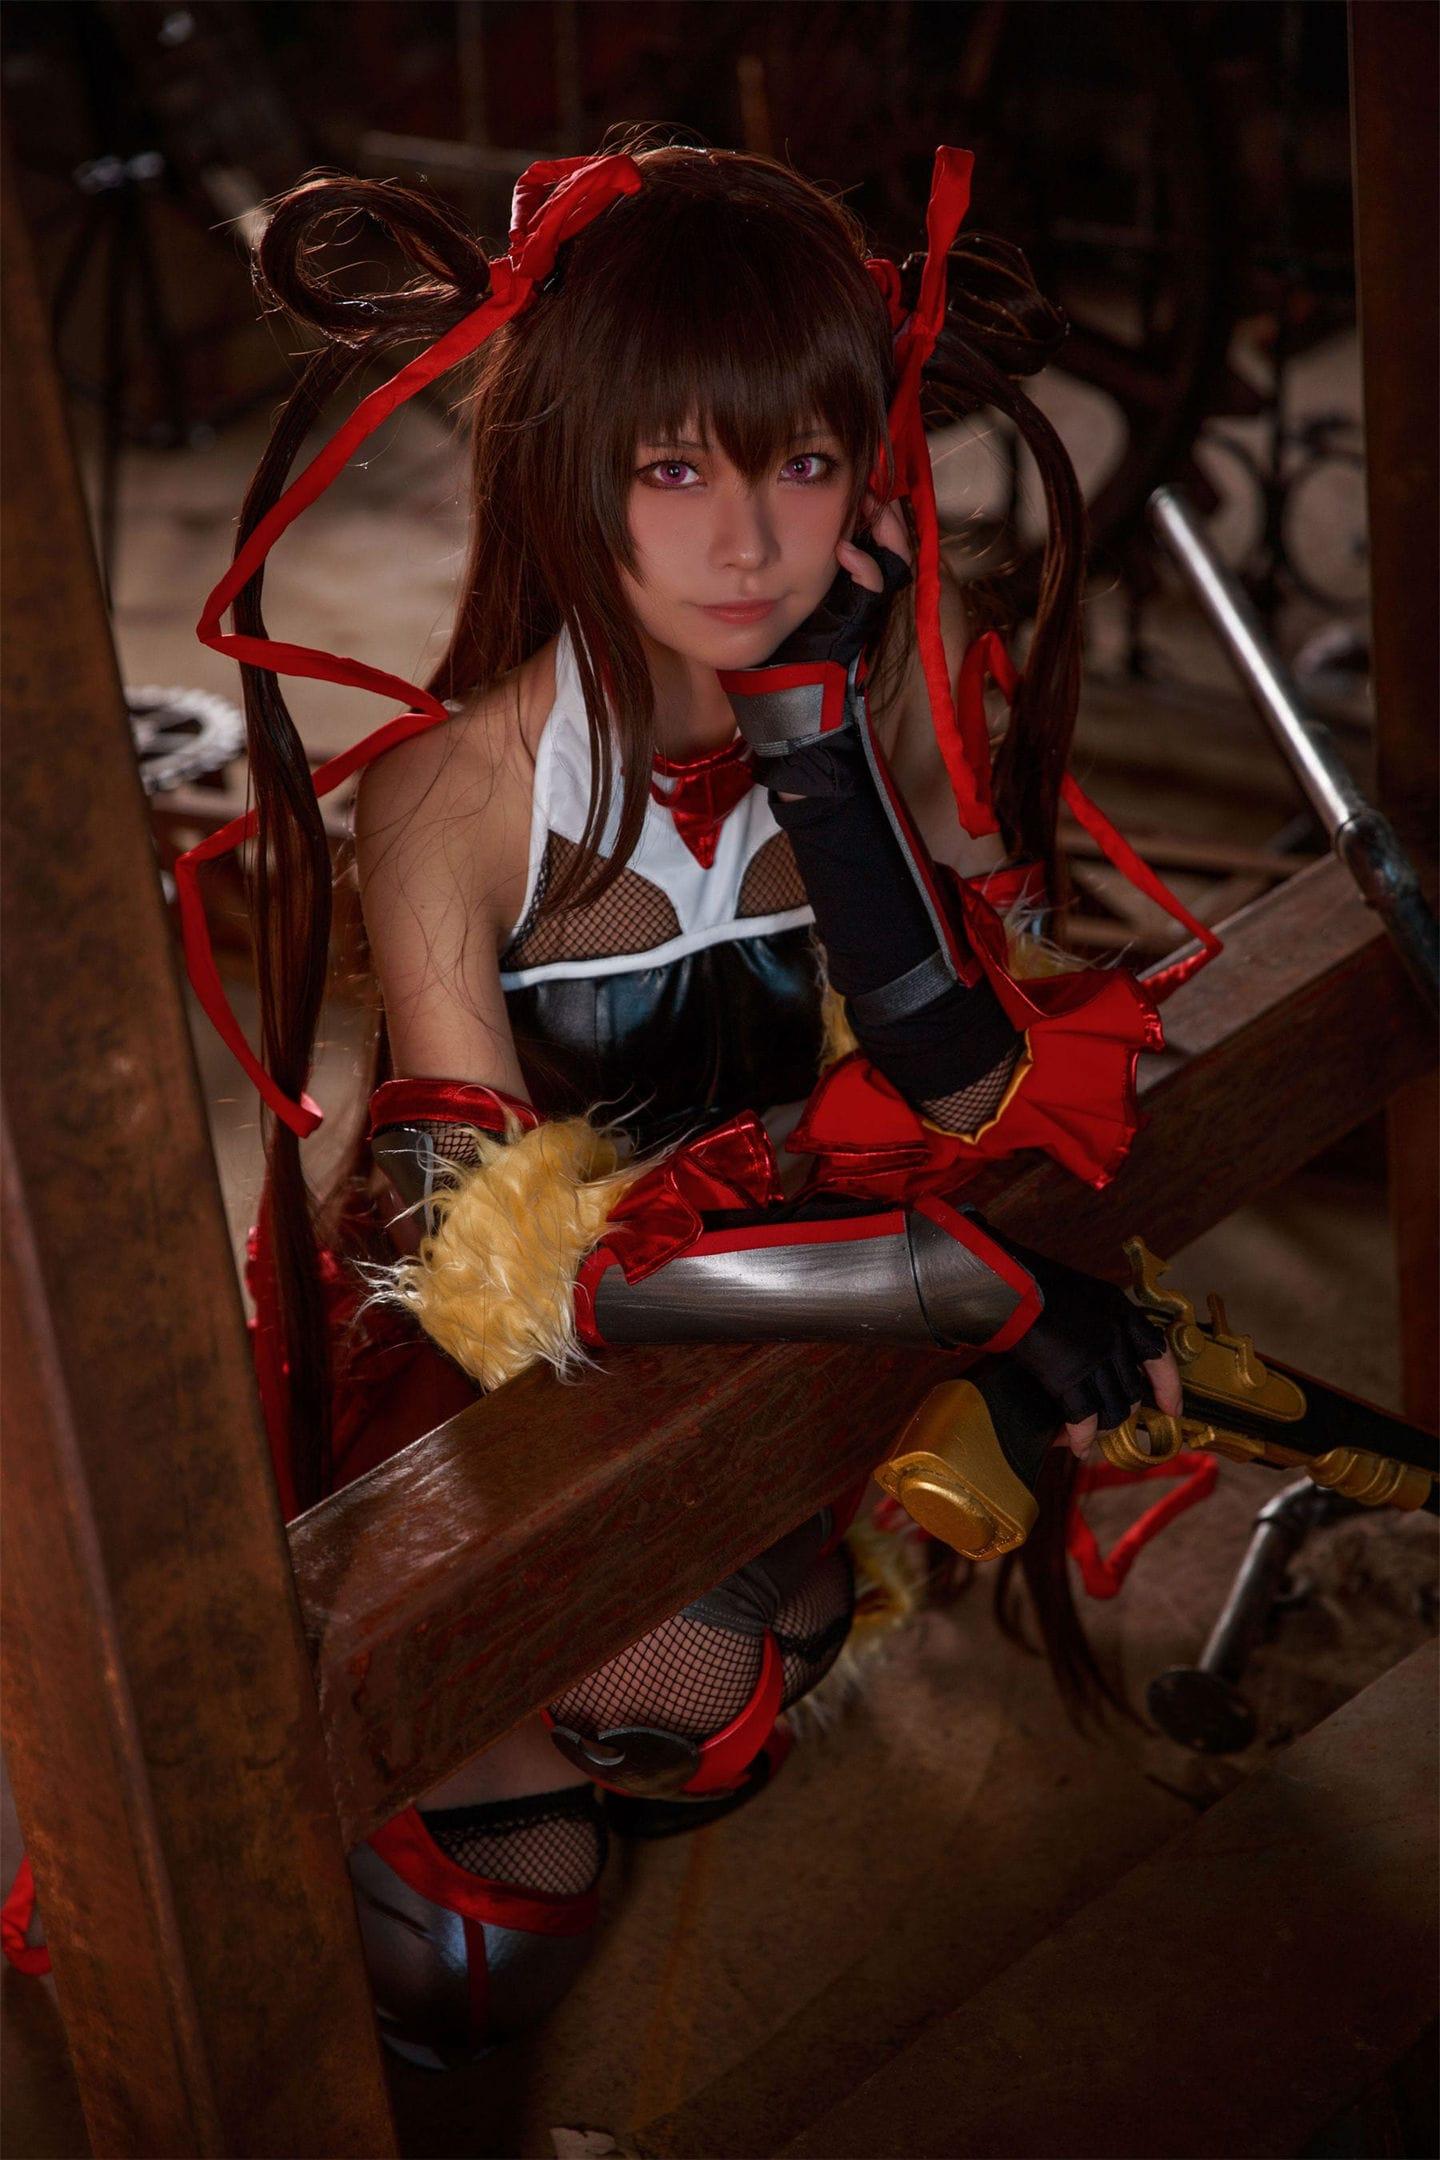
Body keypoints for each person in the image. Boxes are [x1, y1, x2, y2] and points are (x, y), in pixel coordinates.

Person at [177, 136, 1217, 2067]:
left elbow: (976, 1083)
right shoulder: (458, 791)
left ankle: (613, 1703)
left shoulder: (882, 686)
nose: (747, 547)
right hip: (509, 1388)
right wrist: (967, 1288)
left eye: (800, 464)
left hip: (778, 1319)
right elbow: (495, 1278)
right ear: (571, 473)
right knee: (499, 1926)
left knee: (758, 1649)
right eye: (674, 471)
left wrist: (821, 755)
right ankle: (470, 1765)